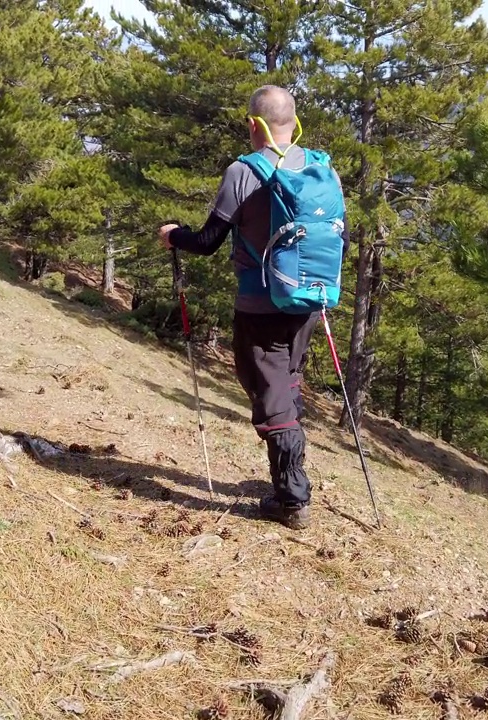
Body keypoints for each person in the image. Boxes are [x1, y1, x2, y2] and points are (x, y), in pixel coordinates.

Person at [158, 85, 347, 530]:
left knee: (269, 395)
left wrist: (173, 235)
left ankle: (292, 498)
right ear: (293, 121)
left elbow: (206, 242)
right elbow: (340, 238)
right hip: (308, 301)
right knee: (286, 381)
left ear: (253, 124)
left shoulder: (243, 172)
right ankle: (291, 474)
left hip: (259, 304)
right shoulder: (322, 170)